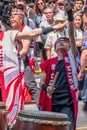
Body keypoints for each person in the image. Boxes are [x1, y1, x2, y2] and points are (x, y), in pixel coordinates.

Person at [0, 22, 64, 124]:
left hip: (8, 79)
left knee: (10, 108)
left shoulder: (8, 35)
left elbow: (32, 33)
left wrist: (54, 27)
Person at [39, 2, 80, 130]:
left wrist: (69, 14)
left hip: (67, 99)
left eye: (65, 42)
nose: (62, 43)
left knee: (66, 126)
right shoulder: (48, 63)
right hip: (53, 98)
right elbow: (41, 82)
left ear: (69, 47)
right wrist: (47, 87)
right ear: (55, 48)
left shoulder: (72, 57)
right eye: (59, 42)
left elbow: (72, 34)